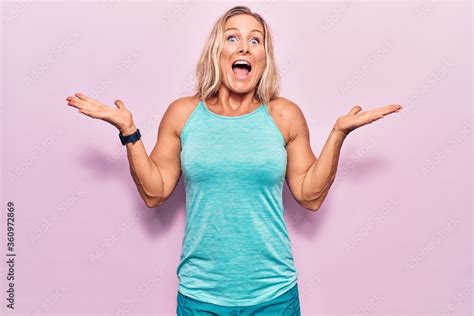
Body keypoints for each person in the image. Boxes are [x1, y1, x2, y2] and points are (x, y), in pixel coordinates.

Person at [66, 5, 402, 315]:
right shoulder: (183, 114)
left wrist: (338, 134)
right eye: (233, 38)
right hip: (201, 296)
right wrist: (129, 132)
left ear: (263, 57)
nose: (244, 47)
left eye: (255, 40)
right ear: (218, 51)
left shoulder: (284, 115)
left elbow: (309, 196)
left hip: (273, 294)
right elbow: (154, 192)